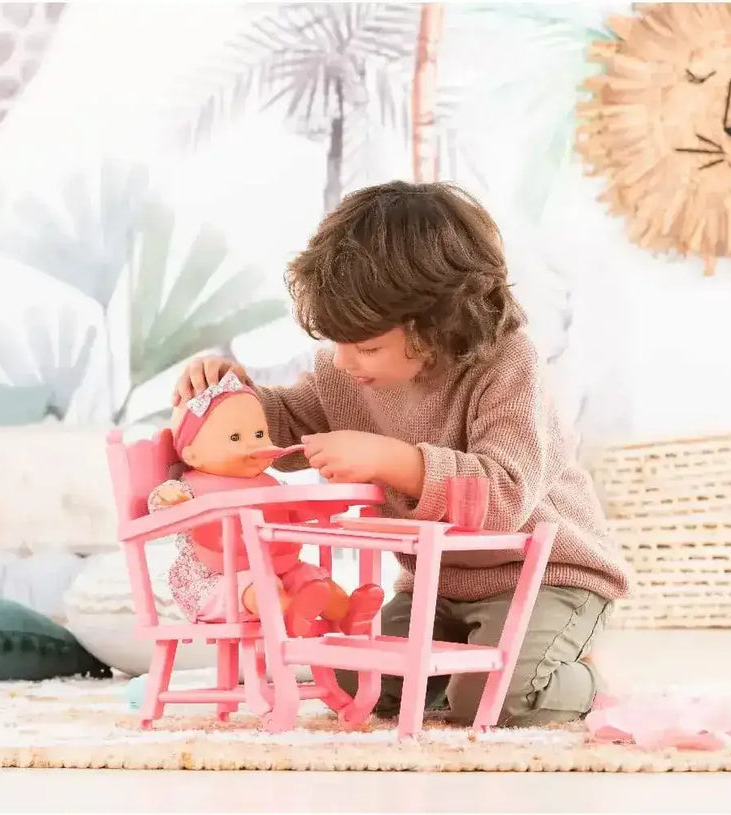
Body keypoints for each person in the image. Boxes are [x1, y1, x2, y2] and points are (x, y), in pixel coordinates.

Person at [171, 180, 631, 727]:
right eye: (337, 343)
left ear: (438, 328)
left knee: (497, 701)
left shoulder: (508, 367)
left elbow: (504, 493)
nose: (344, 362)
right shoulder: (350, 376)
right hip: (435, 584)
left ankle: (584, 677)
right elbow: (285, 428)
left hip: (546, 576)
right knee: (349, 677)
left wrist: (392, 461)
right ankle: (456, 671)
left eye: (365, 347)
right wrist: (232, 399)